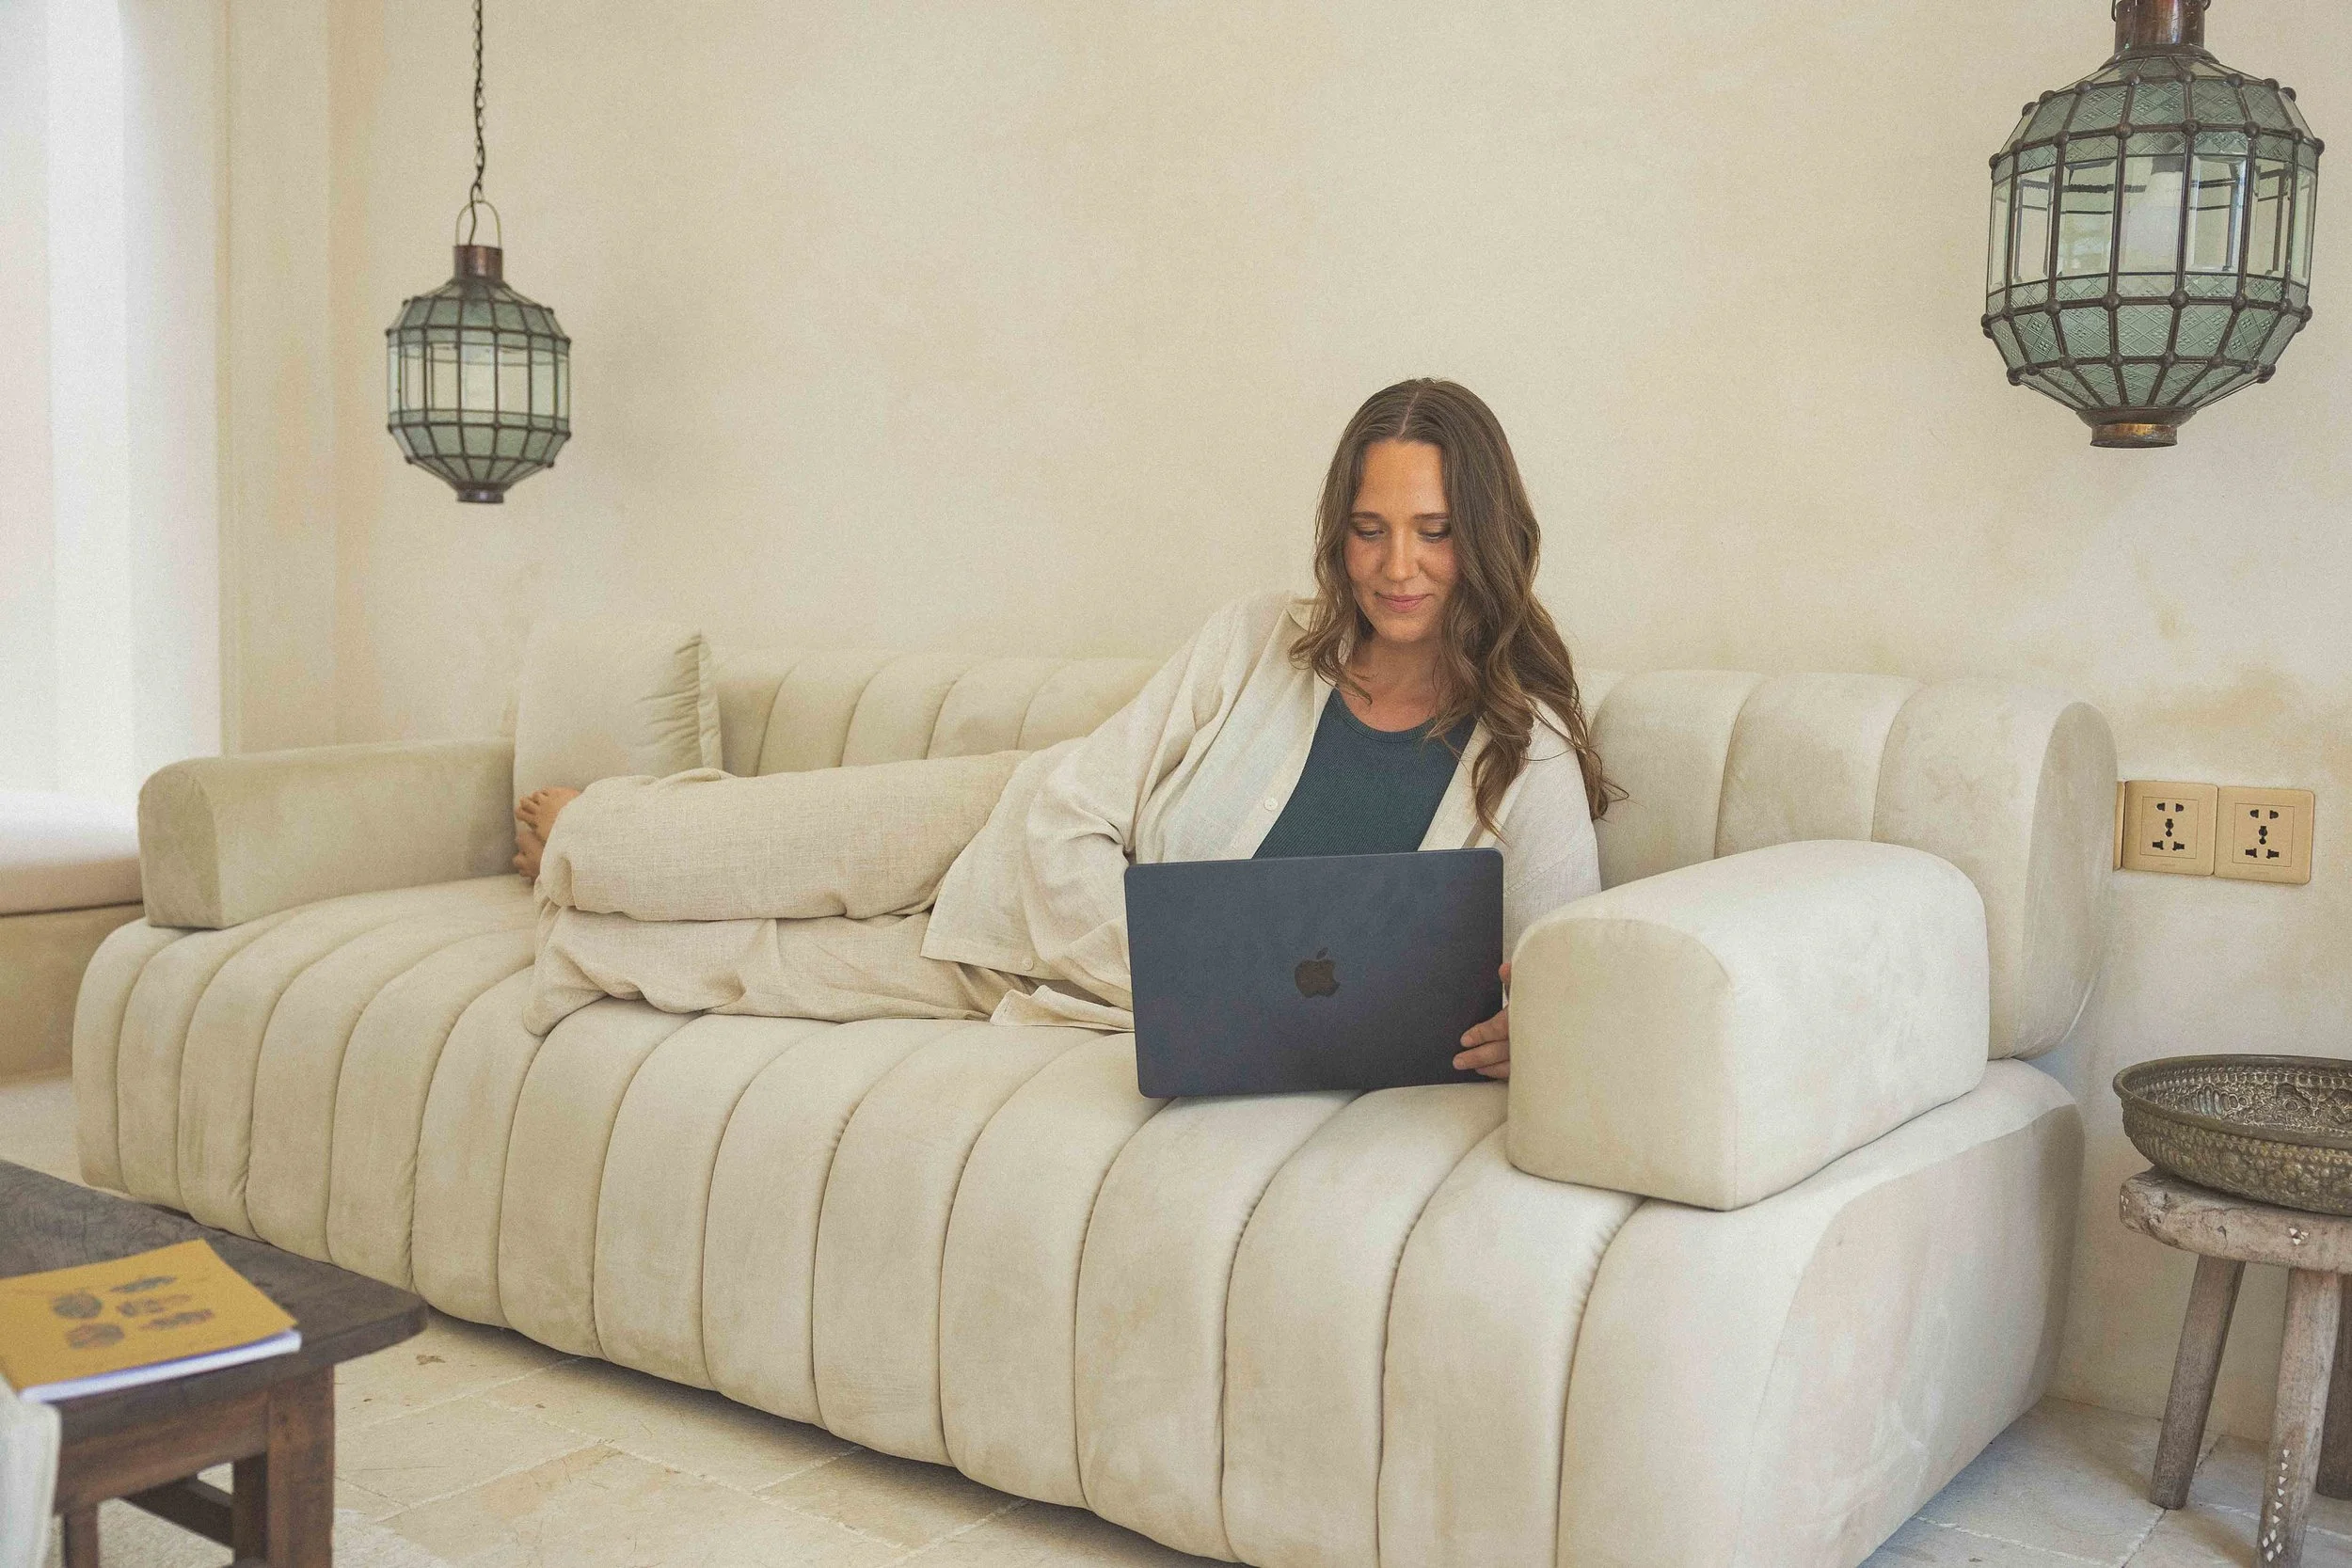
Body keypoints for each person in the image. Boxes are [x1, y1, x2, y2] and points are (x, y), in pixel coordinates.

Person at [516, 378, 1609, 1078]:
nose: (1397, 565)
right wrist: (1186, 973)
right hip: (1019, 821)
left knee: (771, 970)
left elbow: (1567, 972)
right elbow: (1076, 807)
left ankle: (579, 927)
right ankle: (589, 835)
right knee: (788, 839)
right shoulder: (1256, 640)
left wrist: (1538, 1030)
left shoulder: (1528, 753)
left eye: (1433, 531)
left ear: (1484, 537)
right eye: (1369, 530)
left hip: (1076, 984)